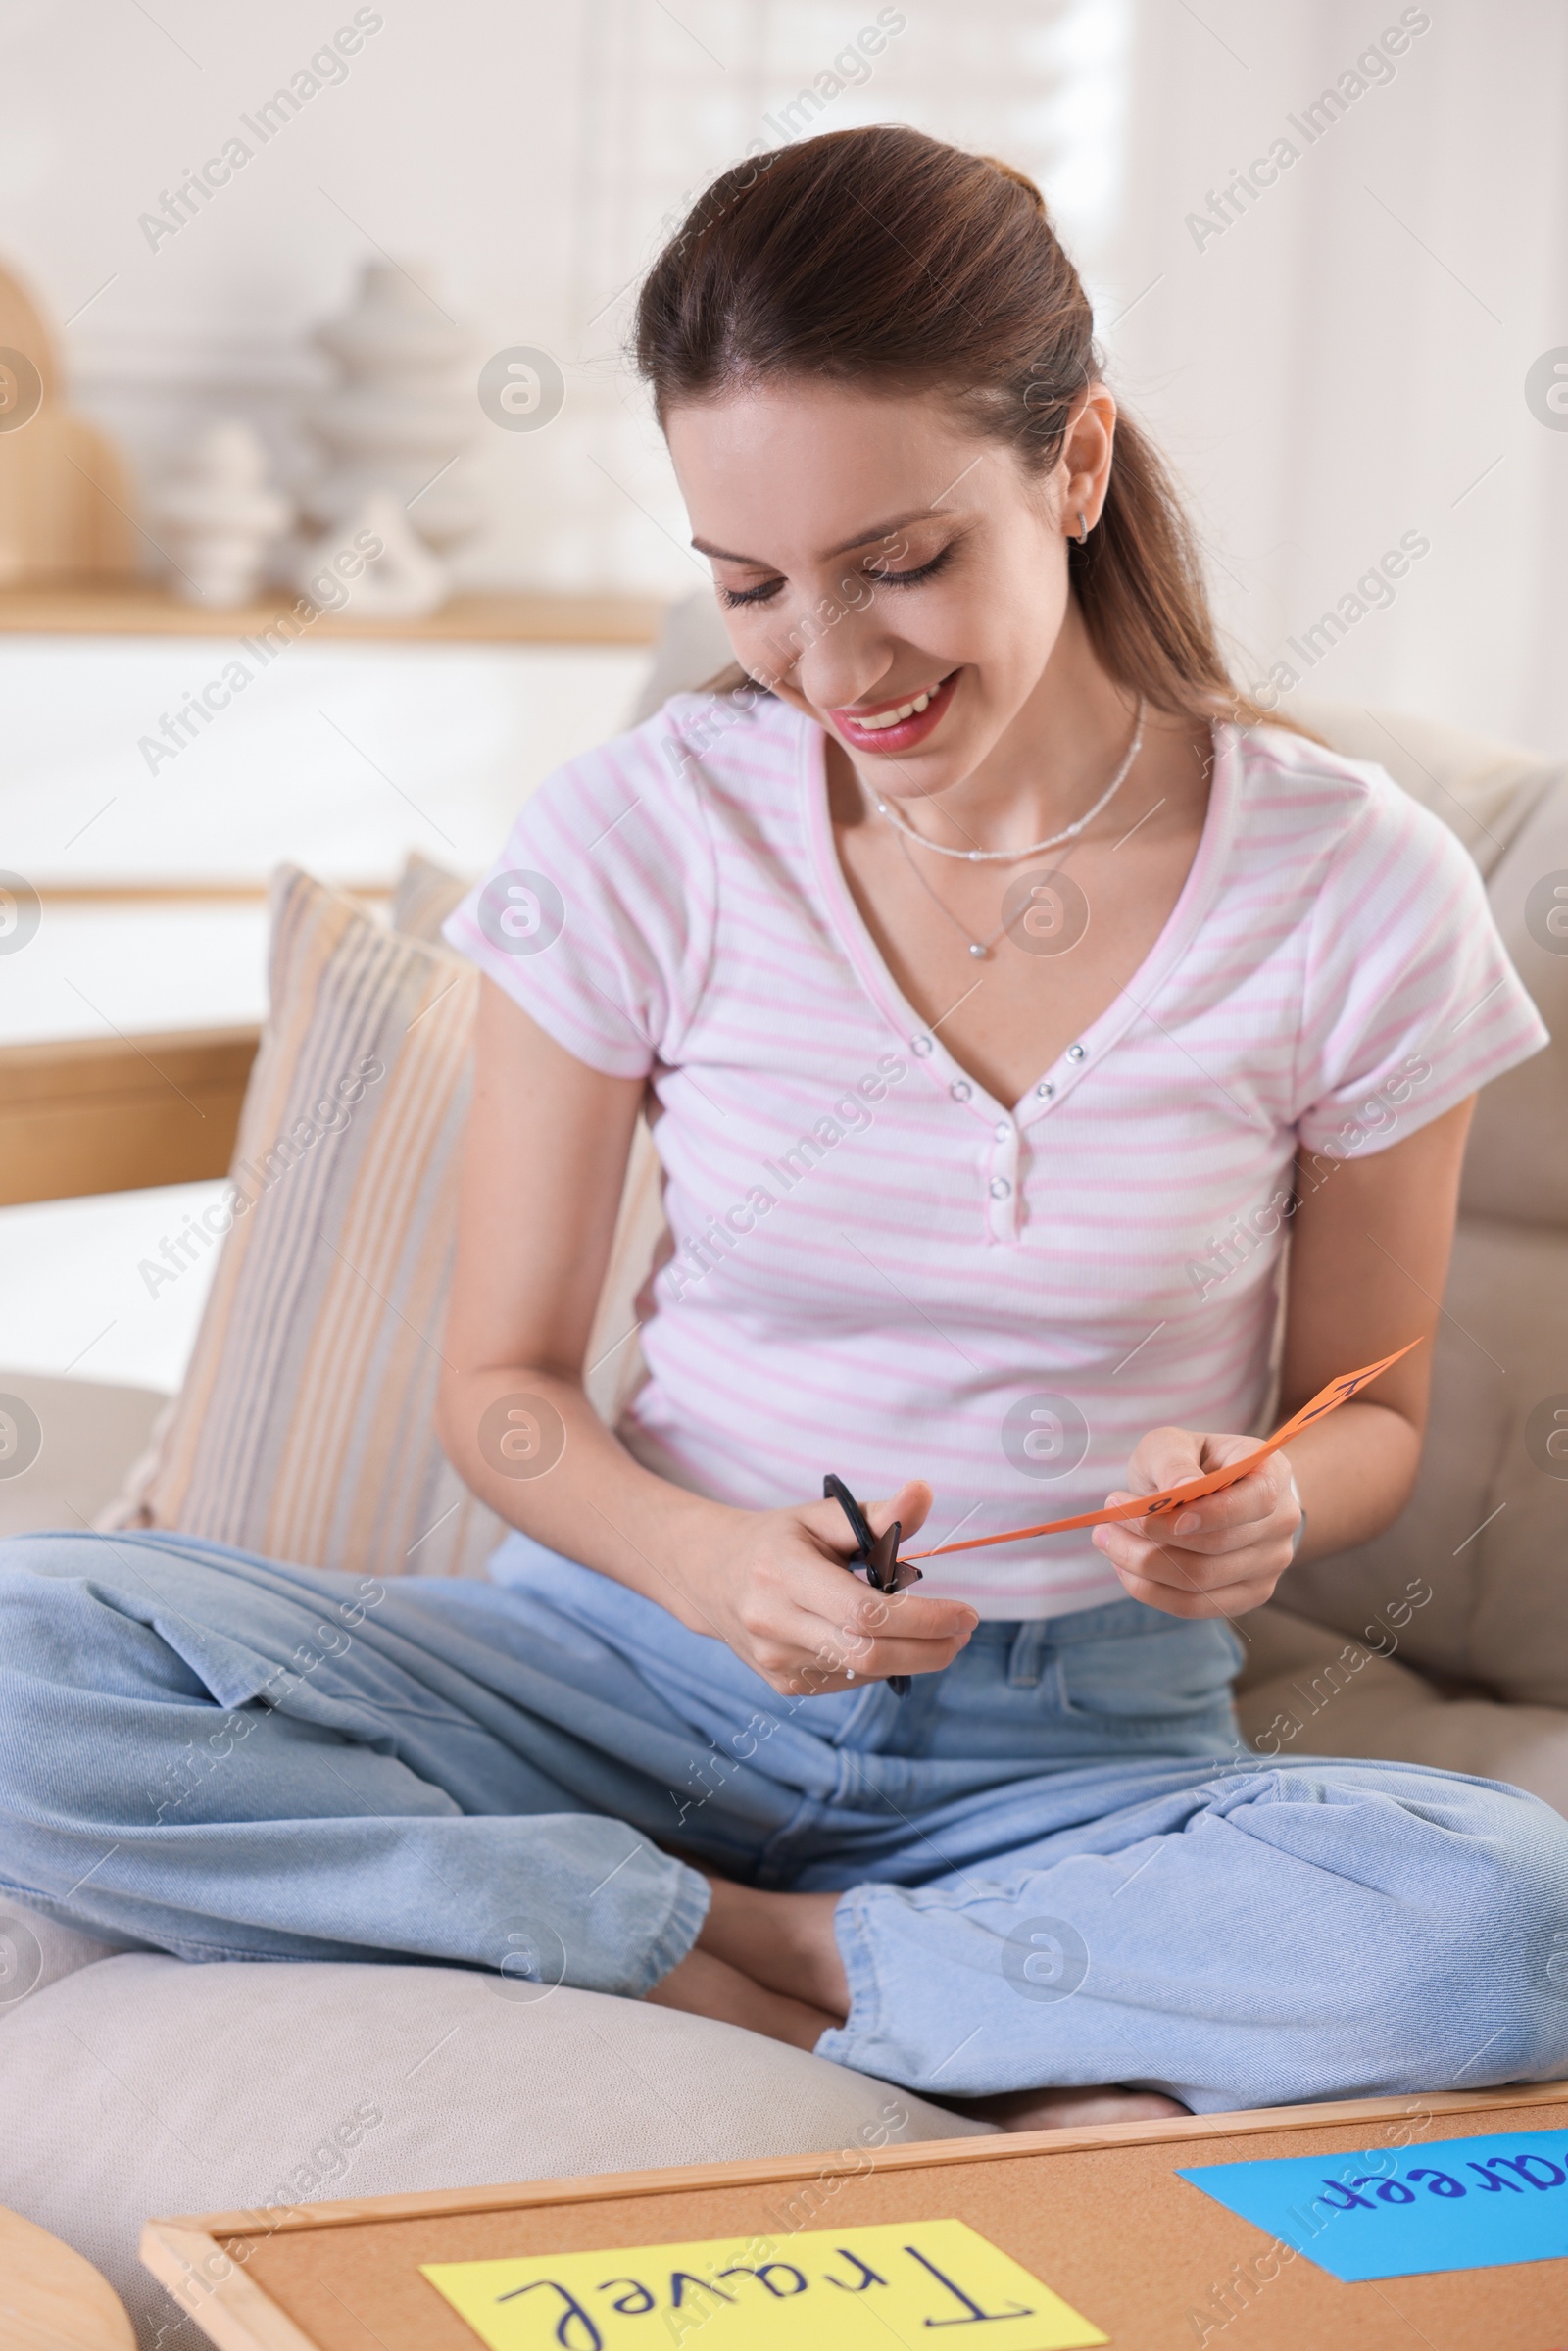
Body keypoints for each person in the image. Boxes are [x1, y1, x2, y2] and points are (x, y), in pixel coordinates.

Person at [2, 126, 1564, 2131]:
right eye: (747, 585)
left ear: (1072, 467)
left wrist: (1263, 1503)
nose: (828, 669)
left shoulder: (1353, 890)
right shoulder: (639, 835)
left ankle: (799, 1964)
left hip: (1070, 1755)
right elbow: (498, 1395)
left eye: (897, 565)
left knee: (1505, 1924)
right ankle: (660, 1922)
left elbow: (1365, 1414)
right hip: (613, 1670)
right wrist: (708, 1561)